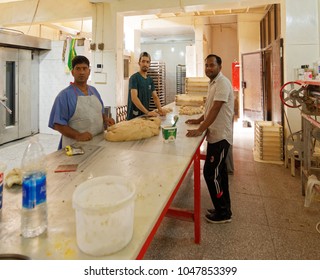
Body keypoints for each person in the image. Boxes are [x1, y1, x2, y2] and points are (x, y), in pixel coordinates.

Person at [186, 54, 234, 224]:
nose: (209, 68)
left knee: (210, 173)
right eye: (206, 65)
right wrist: (198, 120)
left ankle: (222, 214)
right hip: (215, 135)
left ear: (220, 66)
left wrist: (200, 129)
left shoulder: (222, 83)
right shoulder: (213, 83)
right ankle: (224, 209)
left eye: (212, 65)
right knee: (219, 174)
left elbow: (215, 109)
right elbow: (209, 108)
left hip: (221, 136)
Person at [48, 55, 115, 149]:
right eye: (78, 69)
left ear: (89, 71)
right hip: (74, 147)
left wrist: (105, 119)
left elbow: (100, 112)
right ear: (72, 72)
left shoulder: (94, 91)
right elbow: (58, 124)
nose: (82, 72)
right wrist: (77, 135)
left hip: (97, 143)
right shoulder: (64, 95)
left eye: (84, 68)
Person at [127, 52, 166, 120]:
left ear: (149, 64)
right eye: (143, 61)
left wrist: (160, 110)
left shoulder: (150, 80)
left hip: (144, 116)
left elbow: (155, 97)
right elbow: (134, 98)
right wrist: (147, 112)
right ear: (139, 63)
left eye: (147, 62)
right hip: (133, 117)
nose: (145, 64)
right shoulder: (134, 78)